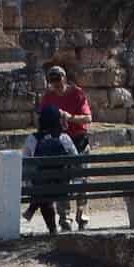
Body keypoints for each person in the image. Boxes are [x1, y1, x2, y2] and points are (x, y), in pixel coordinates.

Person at [37, 65, 94, 226]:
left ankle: (81, 212)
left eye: (59, 80)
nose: (57, 85)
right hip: (59, 143)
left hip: (78, 140)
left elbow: (88, 118)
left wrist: (69, 118)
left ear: (65, 78)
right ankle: (65, 216)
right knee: (62, 181)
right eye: (53, 82)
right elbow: (42, 118)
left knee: (82, 180)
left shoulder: (77, 93)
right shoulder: (48, 96)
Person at [23, 102, 76, 233]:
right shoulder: (65, 138)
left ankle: (51, 227)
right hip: (63, 187)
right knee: (45, 188)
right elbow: (75, 158)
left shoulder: (32, 139)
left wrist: (28, 182)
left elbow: (25, 163)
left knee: (41, 191)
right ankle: (33, 209)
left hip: (40, 188)